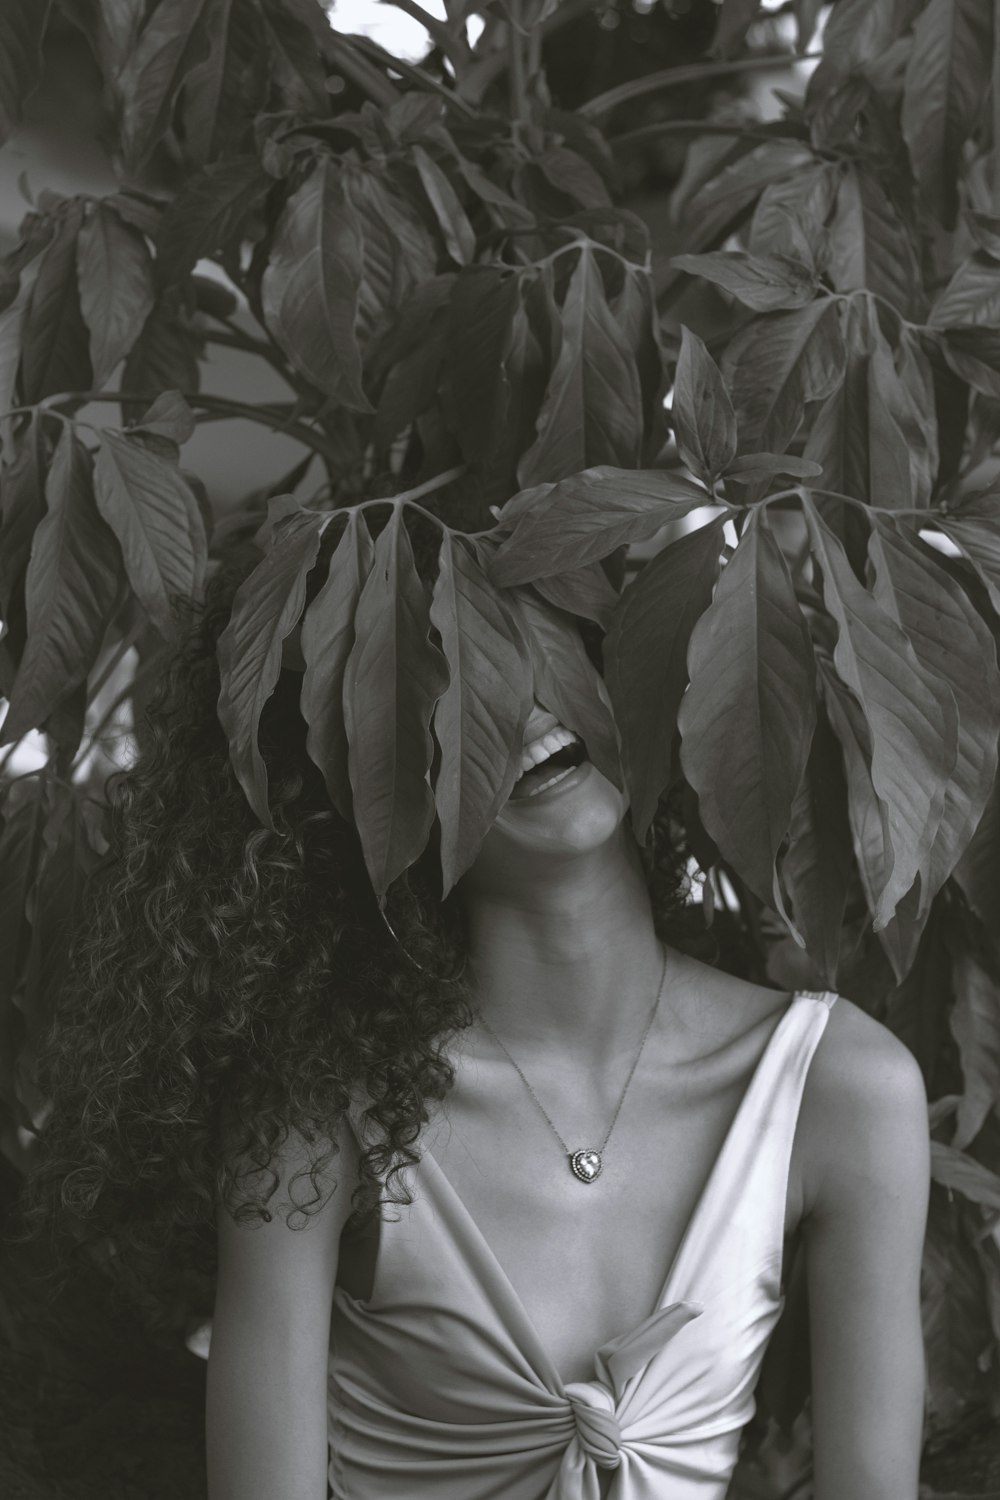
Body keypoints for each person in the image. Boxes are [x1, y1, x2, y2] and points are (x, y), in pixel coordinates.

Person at [13, 547, 930, 1500]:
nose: (521, 710)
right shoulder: (315, 1114)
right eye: (445, 689)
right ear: (359, 786)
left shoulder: (843, 1091)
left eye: (538, 652)